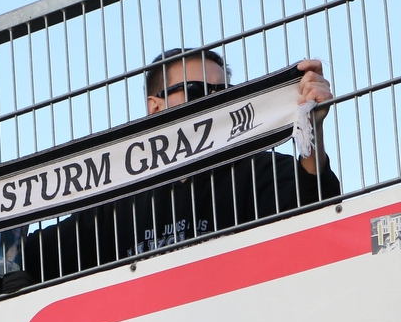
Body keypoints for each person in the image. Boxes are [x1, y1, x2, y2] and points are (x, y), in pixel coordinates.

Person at [25, 49, 342, 282]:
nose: (212, 102)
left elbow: (313, 212)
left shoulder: (257, 171)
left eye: (222, 92)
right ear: (155, 107)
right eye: (195, 91)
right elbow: (31, 259)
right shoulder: (120, 198)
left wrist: (310, 126)